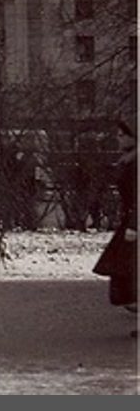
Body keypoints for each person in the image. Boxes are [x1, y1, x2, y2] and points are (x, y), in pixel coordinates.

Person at [93, 121, 137, 337]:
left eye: (122, 134)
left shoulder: (136, 163)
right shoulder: (129, 161)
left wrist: (134, 225)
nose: (118, 138)